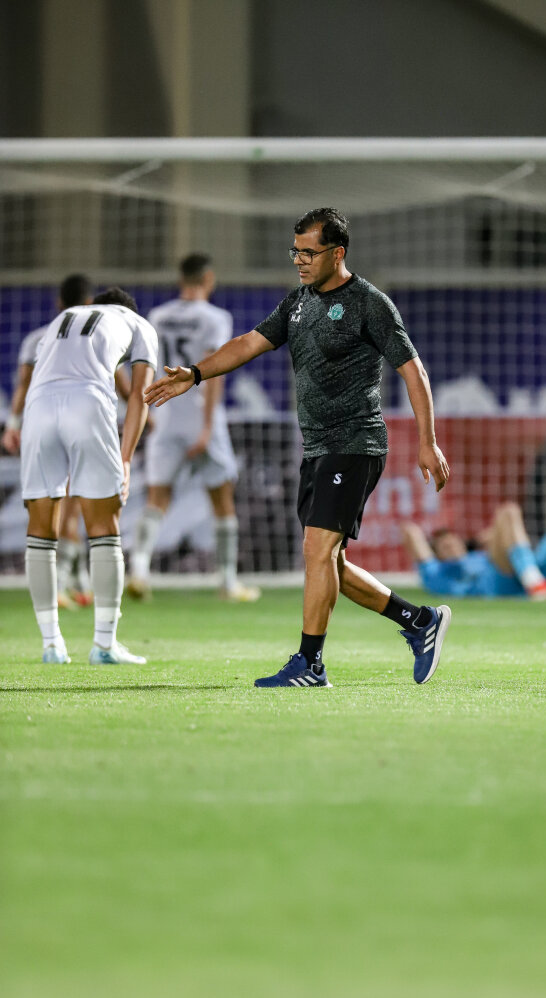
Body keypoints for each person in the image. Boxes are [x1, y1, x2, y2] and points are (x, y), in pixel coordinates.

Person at [145, 207, 451, 688]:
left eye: (310, 252)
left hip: (356, 442)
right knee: (330, 562)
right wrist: (196, 373)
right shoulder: (298, 303)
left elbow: (414, 372)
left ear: (337, 252)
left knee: (316, 549)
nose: (300, 261)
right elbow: (248, 343)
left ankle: (310, 664)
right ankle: (419, 621)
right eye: (296, 252)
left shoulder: (369, 303)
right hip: (316, 448)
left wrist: (427, 443)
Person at [21, 287, 157, 664]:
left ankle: (51, 644)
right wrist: (125, 459)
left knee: (40, 528)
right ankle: (104, 644)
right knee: (103, 525)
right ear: (127, 308)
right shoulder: (137, 323)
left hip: (38, 406)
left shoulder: (61, 319)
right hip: (88, 402)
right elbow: (139, 394)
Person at [126, 253, 259, 602]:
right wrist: (207, 427)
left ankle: (139, 571)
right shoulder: (215, 318)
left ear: (180, 279)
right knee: (222, 499)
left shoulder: (158, 316)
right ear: (208, 279)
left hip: (166, 416)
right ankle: (228, 582)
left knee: (157, 498)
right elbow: (213, 372)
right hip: (202, 420)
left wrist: (148, 412)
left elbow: (147, 366)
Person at [2, 273, 130, 609]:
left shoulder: (37, 338)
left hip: (40, 425)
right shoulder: (97, 336)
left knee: (49, 505)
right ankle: (65, 583)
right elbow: (124, 387)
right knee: (77, 507)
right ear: (90, 303)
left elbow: (23, 385)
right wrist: (146, 414)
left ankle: (74, 582)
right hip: (84, 424)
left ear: (59, 302)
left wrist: (12, 425)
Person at [403, 500, 546, 600]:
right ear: (437, 556)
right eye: (445, 546)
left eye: (454, 541)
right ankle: (535, 586)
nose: (451, 545)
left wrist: (481, 541)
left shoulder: (478, 555)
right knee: (508, 511)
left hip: (530, 567)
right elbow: (410, 532)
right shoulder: (438, 572)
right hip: (500, 580)